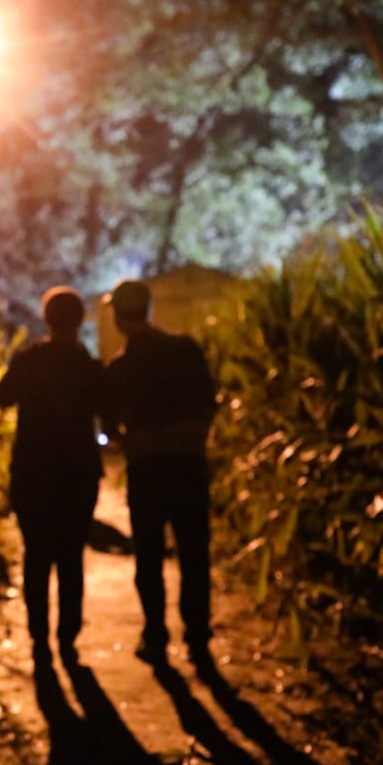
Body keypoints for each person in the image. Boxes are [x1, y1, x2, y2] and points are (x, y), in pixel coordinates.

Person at [100, 279, 218, 664]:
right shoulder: (185, 350)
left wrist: (128, 437)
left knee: (149, 555)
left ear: (118, 318)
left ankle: (156, 636)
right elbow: (209, 401)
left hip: (147, 467)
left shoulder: (120, 368)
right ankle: (197, 636)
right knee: (193, 552)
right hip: (187, 464)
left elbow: (109, 424)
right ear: (148, 310)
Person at [0, 286, 104, 663]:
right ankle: (68, 638)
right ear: (79, 321)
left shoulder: (29, 361)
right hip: (78, 472)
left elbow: (2, 396)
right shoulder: (87, 365)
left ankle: (39, 636)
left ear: (46, 318)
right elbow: (106, 408)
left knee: (37, 555)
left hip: (32, 470)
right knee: (71, 556)